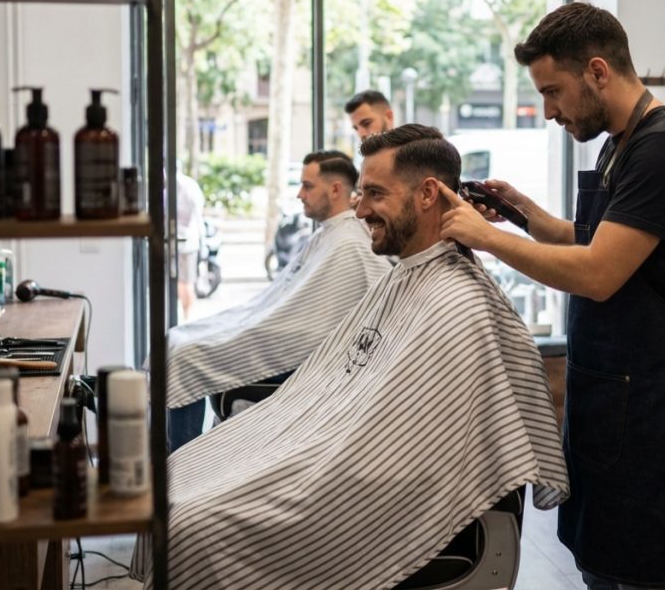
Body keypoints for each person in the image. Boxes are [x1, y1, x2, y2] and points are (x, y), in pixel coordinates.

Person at [134, 125, 568, 589]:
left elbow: (407, 457)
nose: (359, 210)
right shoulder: (407, 277)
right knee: (178, 477)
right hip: (328, 457)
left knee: (190, 527)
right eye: (361, 193)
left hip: (376, 497)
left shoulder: (458, 301)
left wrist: (296, 467)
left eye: (375, 194)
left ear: (427, 195)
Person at [438, 2, 665, 589]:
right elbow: (593, 241)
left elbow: (597, 272)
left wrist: (486, 238)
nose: (547, 112)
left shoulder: (664, 147)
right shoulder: (621, 141)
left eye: (553, 92)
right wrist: (521, 215)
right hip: (613, 392)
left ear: (597, 71)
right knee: (604, 563)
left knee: (648, 573)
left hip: (655, 399)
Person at [166, 150, 391, 450]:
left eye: (308, 186)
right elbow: (280, 301)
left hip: (301, 355)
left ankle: (180, 470)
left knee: (185, 356)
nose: (300, 194)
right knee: (178, 339)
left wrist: (253, 330)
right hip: (278, 332)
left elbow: (380, 298)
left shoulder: (351, 242)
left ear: (336, 189)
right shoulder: (331, 234)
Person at [175, 170, 205, 320]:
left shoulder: (178, 186)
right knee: (186, 281)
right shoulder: (190, 184)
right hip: (189, 239)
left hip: (183, 240)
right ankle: (187, 316)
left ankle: (186, 316)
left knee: (184, 281)